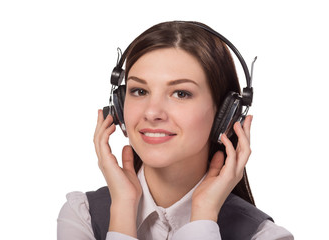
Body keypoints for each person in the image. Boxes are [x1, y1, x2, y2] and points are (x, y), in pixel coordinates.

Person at [57, 21, 293, 240]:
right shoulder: (82, 216)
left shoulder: (265, 237)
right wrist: (122, 209)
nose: (152, 112)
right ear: (118, 105)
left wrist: (204, 216)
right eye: (139, 91)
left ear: (226, 114)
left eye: (181, 93)